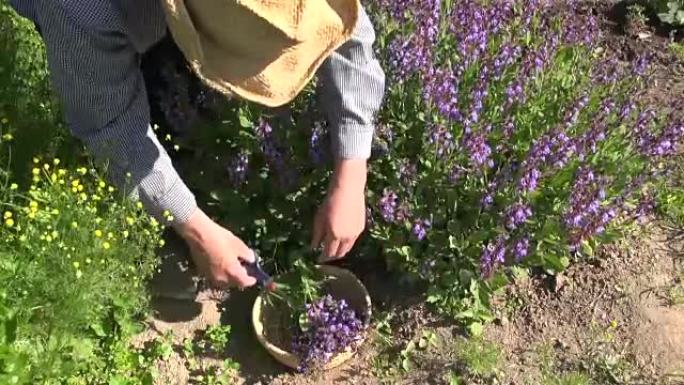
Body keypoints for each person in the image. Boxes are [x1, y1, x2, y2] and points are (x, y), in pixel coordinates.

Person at [9, 0, 385, 293]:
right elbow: (109, 123)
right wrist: (196, 229)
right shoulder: (83, 10)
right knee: (128, 77)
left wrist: (351, 174)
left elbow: (338, 28)